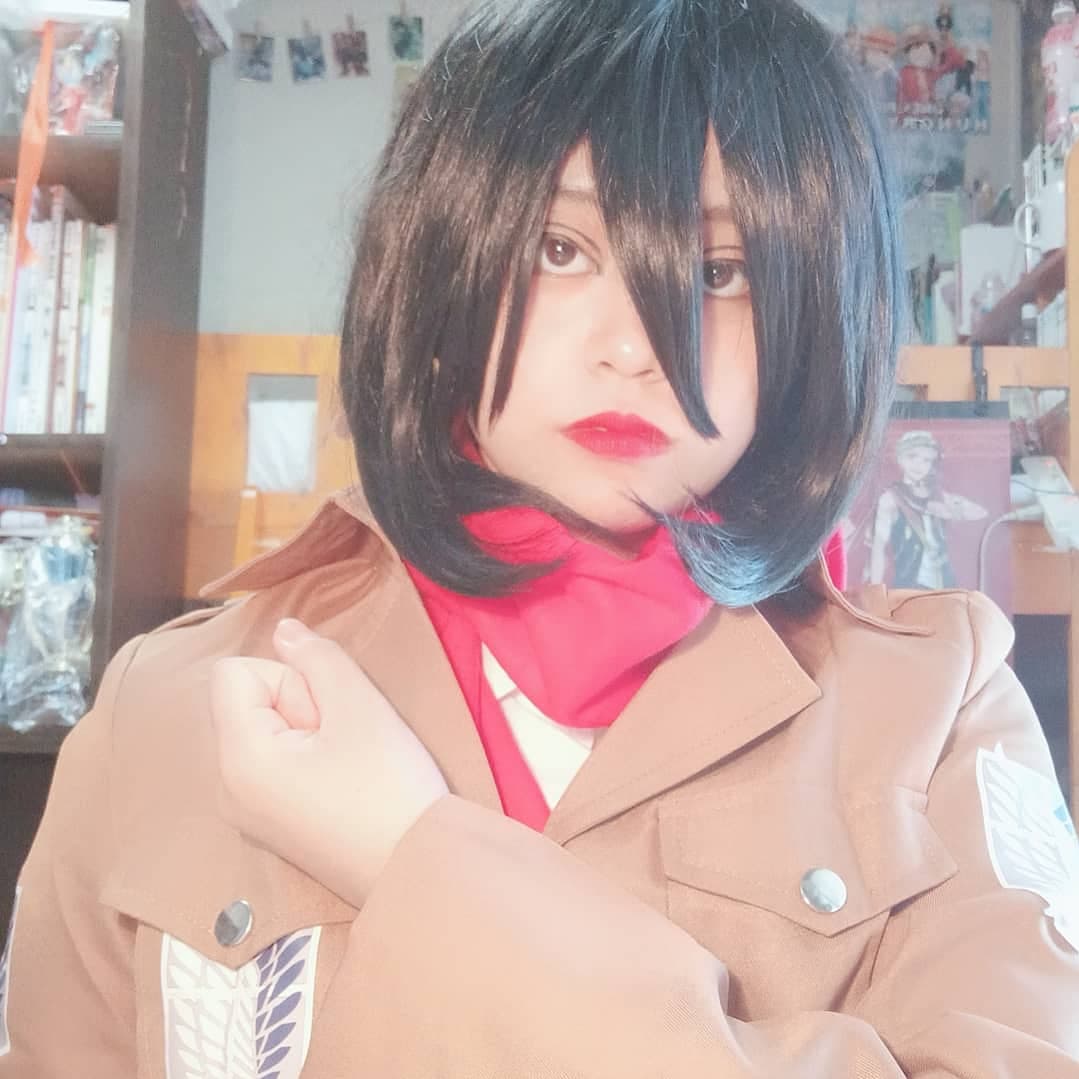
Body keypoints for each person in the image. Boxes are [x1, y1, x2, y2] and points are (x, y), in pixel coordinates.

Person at [3, 0, 1078, 1074]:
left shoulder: (934, 704)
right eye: (560, 248)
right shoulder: (168, 706)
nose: (634, 347)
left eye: (719, 271)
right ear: (440, 264)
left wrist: (413, 857)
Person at [868, 429, 988, 589]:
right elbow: (879, 547)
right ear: (900, 458)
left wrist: (949, 510)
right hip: (909, 584)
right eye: (912, 457)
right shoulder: (891, 499)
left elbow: (981, 513)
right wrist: (875, 590)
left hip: (945, 583)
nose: (919, 465)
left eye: (926, 460)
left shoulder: (939, 495)